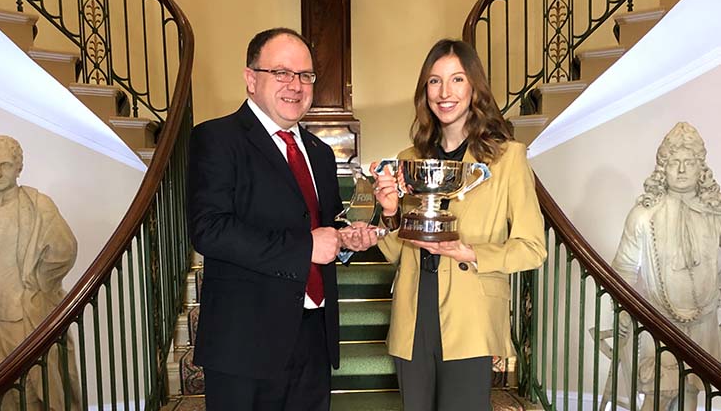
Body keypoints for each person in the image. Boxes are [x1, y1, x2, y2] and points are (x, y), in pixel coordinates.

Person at [187, 27, 377, 411]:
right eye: (282, 73)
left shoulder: (320, 153)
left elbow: (321, 225)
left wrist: (345, 241)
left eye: (305, 75)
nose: (296, 85)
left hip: (313, 335)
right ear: (250, 78)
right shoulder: (217, 138)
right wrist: (308, 245)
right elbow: (209, 230)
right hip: (245, 345)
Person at [370, 39, 547, 410]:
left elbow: (533, 248)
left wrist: (470, 251)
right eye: (434, 82)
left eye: (457, 80)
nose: (445, 92)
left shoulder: (507, 158)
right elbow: (392, 252)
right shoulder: (409, 159)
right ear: (425, 91)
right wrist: (389, 213)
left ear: (474, 88)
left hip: (471, 315)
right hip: (413, 314)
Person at [612, 122, 721, 411]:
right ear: (663, 167)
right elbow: (622, 269)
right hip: (661, 319)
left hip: (704, 321)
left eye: (689, 163)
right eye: (675, 163)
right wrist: (623, 314)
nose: (682, 170)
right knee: (657, 394)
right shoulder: (644, 215)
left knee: (691, 394)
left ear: (701, 168)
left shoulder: (716, 213)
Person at [0, 135, 80, 411]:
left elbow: (63, 250)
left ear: (18, 167)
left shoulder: (37, 206)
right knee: (0, 393)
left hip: (24, 315)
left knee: (37, 389)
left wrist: (38, 285)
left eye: (5, 165)